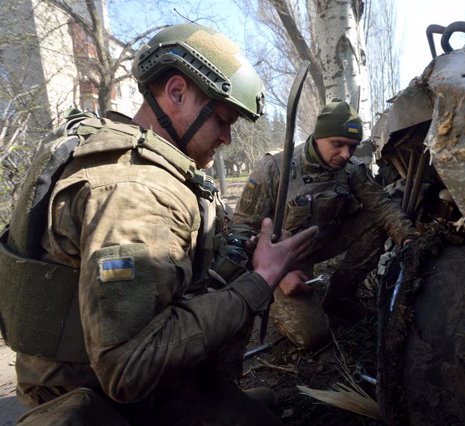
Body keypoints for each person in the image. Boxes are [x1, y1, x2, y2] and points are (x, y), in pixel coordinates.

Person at [0, 23, 318, 425]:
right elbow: (127, 368)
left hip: (97, 376)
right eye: (222, 120)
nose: (227, 140)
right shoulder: (136, 191)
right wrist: (260, 282)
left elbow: (174, 268)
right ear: (176, 93)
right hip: (105, 402)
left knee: (263, 400)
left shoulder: (124, 151)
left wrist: (244, 256)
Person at [231, 100, 418, 350]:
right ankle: (277, 296)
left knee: (376, 221)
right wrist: (278, 275)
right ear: (318, 137)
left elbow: (381, 205)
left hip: (325, 241)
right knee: (314, 337)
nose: (345, 154)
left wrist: (408, 237)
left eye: (352, 147)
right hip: (283, 259)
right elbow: (241, 230)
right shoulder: (276, 168)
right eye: (337, 144)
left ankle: (340, 296)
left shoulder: (350, 170)